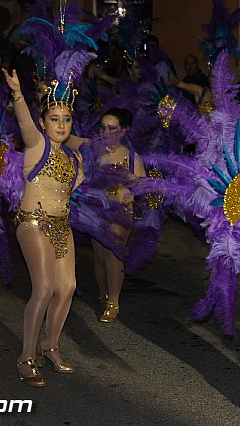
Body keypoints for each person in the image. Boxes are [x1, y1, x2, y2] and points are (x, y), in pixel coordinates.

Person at [2, 68, 86, 387]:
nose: (61, 124)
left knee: (67, 288)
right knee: (44, 288)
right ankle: (26, 356)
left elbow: (69, 191)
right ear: (43, 121)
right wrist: (18, 93)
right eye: (54, 118)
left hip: (61, 226)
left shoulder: (73, 158)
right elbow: (24, 122)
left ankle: (50, 346)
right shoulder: (38, 145)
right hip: (33, 223)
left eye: (66, 119)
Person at [92, 107, 145, 322]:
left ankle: (114, 302)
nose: (106, 132)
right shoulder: (93, 152)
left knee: (113, 253)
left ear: (123, 131)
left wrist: (129, 177)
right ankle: (105, 295)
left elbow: (142, 185)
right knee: (101, 257)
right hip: (95, 211)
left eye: (112, 128)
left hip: (122, 211)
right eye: (103, 127)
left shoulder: (132, 156)